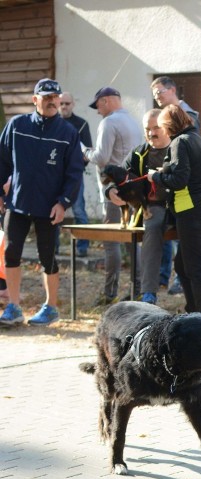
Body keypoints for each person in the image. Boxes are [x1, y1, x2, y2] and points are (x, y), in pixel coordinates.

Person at [0, 78, 84, 326]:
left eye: (54, 97)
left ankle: (51, 307)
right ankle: (13, 307)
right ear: (35, 99)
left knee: (47, 257)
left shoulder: (68, 133)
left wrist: (63, 203)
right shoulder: (17, 125)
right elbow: (2, 161)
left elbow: (74, 173)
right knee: (11, 253)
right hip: (17, 204)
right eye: (46, 97)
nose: (51, 101)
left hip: (49, 207)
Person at [147, 104, 201, 316]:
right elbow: (199, 178)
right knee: (182, 264)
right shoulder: (200, 140)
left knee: (194, 267)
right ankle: (194, 309)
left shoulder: (179, 142)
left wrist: (155, 177)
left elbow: (179, 180)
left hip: (190, 212)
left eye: (161, 126)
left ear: (169, 126)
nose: (161, 131)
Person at [83, 86, 144, 305]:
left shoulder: (108, 122)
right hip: (134, 188)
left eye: (98, 105)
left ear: (106, 101)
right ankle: (139, 289)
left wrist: (84, 151)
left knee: (112, 240)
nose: (98, 111)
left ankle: (110, 293)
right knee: (131, 240)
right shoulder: (133, 121)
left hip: (115, 190)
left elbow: (101, 157)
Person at [111, 109, 171, 305]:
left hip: (181, 207)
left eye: (156, 128)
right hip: (151, 207)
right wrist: (110, 191)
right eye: (147, 129)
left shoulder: (178, 149)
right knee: (152, 226)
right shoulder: (138, 153)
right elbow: (118, 176)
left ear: (167, 128)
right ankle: (148, 293)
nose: (151, 133)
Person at [151, 75, 199, 295]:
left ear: (171, 90)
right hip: (173, 189)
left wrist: (160, 177)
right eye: (154, 94)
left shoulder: (188, 118)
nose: (157, 97)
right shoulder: (165, 119)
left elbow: (185, 165)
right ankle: (163, 277)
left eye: (159, 92)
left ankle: (182, 279)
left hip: (187, 190)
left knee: (184, 239)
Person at [59, 92, 93, 257]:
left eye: (67, 103)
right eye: (61, 103)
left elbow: (88, 152)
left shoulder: (81, 124)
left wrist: (75, 164)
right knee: (52, 209)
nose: (64, 106)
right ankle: (53, 248)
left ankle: (82, 247)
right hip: (54, 175)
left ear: (73, 104)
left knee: (79, 210)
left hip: (74, 176)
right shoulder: (53, 123)